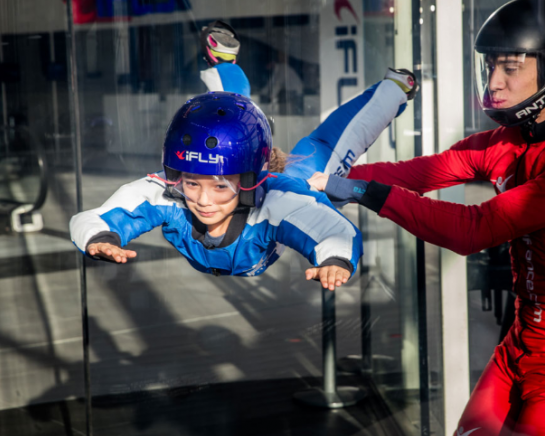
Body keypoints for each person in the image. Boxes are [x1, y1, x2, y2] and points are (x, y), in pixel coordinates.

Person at [310, 0, 545, 436]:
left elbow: (474, 229)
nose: (494, 82)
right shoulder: (508, 142)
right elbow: (419, 172)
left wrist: (362, 193)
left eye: (511, 68)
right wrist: (324, 182)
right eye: (490, 67)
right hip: (522, 345)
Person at [69, 67, 418, 291]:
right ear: (177, 176)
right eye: (192, 183)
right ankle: (223, 64)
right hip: (251, 173)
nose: (203, 200)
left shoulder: (280, 199)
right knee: (233, 119)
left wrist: (334, 260)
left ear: (251, 180)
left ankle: (394, 87)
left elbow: (334, 231)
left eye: (220, 186)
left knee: (325, 146)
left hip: (289, 180)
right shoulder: (169, 191)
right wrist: (100, 235)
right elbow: (102, 215)